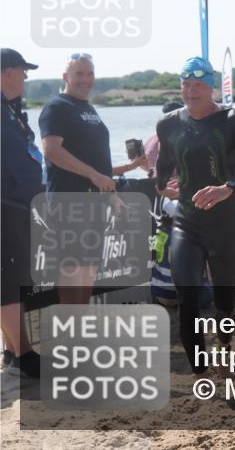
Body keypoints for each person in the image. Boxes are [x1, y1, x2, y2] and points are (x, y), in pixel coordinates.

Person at [155, 56, 235, 373]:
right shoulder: (168, 124)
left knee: (224, 301)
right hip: (187, 223)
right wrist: (164, 186)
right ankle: (201, 371)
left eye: (198, 84)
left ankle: (224, 344)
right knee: (187, 296)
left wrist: (228, 187)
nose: (191, 91)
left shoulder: (234, 120)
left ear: (211, 86)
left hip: (226, 223)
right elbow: (161, 171)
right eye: (186, 84)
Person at [39, 53, 148, 304]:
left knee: (88, 269)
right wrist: (95, 176)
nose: (85, 79)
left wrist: (122, 176)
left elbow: (98, 165)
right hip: (69, 202)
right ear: (65, 77)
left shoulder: (88, 109)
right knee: (72, 270)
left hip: (94, 203)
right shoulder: (56, 107)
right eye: (79, 73)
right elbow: (52, 150)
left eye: (90, 74)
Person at [1, 49, 43, 378]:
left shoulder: (11, 110)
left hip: (19, 203)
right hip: (6, 204)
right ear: (7, 72)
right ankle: (24, 354)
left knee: (14, 279)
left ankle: (13, 350)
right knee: (11, 280)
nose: (26, 78)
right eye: (23, 72)